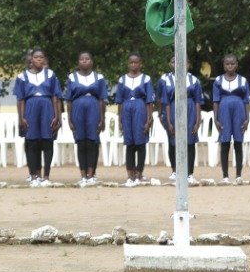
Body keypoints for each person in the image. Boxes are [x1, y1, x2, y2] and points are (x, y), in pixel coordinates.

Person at [14, 50, 63, 187]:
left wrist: (56, 116)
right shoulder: (22, 77)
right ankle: (34, 175)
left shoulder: (51, 74)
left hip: (47, 107)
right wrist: (21, 117)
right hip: (30, 107)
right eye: (36, 57)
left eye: (42, 57)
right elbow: (20, 99)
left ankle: (46, 176)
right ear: (31, 59)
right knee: (32, 141)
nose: (39, 59)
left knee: (47, 141)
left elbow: (56, 97)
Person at [63, 52, 106, 186]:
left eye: (87, 59)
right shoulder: (72, 77)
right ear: (78, 62)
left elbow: (101, 99)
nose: (84, 61)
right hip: (77, 110)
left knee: (93, 141)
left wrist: (102, 119)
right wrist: (69, 119)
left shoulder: (99, 77)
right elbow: (69, 100)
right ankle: (82, 175)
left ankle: (91, 174)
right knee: (81, 142)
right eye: (81, 59)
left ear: (92, 61)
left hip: (94, 109)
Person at [158, 59, 204, 183]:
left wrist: (198, 120)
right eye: (173, 62)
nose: (177, 64)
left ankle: (189, 173)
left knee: (190, 141)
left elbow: (198, 101)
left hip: (190, 110)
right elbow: (162, 100)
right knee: (173, 140)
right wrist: (163, 117)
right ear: (170, 64)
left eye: (183, 62)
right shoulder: (165, 79)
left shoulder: (194, 80)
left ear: (188, 65)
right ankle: (175, 170)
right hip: (172, 110)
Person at [114, 54, 154, 186]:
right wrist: (120, 119)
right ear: (128, 64)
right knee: (129, 143)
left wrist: (149, 119)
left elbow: (149, 101)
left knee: (140, 142)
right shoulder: (122, 79)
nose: (133, 65)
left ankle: (139, 172)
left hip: (140, 109)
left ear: (140, 63)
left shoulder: (146, 79)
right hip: (126, 110)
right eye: (131, 62)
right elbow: (119, 101)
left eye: (136, 62)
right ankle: (130, 173)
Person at [211, 54, 250, 182]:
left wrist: (247, 118)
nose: (230, 66)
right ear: (224, 65)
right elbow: (215, 101)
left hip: (239, 111)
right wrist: (215, 119)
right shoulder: (218, 80)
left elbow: (246, 101)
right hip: (223, 111)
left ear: (237, 64)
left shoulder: (243, 80)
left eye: (232, 63)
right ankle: (225, 176)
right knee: (225, 142)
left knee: (238, 143)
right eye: (227, 64)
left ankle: (238, 175)